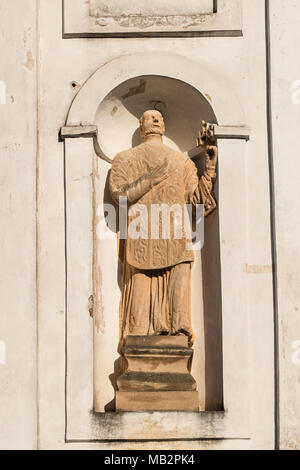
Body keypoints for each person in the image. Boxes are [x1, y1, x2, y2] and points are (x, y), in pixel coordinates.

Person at [109, 110, 217, 346]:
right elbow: (120, 195)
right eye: (150, 117)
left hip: (176, 239)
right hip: (141, 239)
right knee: (139, 308)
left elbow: (195, 201)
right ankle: (139, 343)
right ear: (141, 125)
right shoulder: (124, 159)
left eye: (160, 117)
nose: (156, 120)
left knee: (178, 306)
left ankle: (177, 338)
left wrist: (208, 170)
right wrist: (149, 180)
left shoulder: (182, 161)